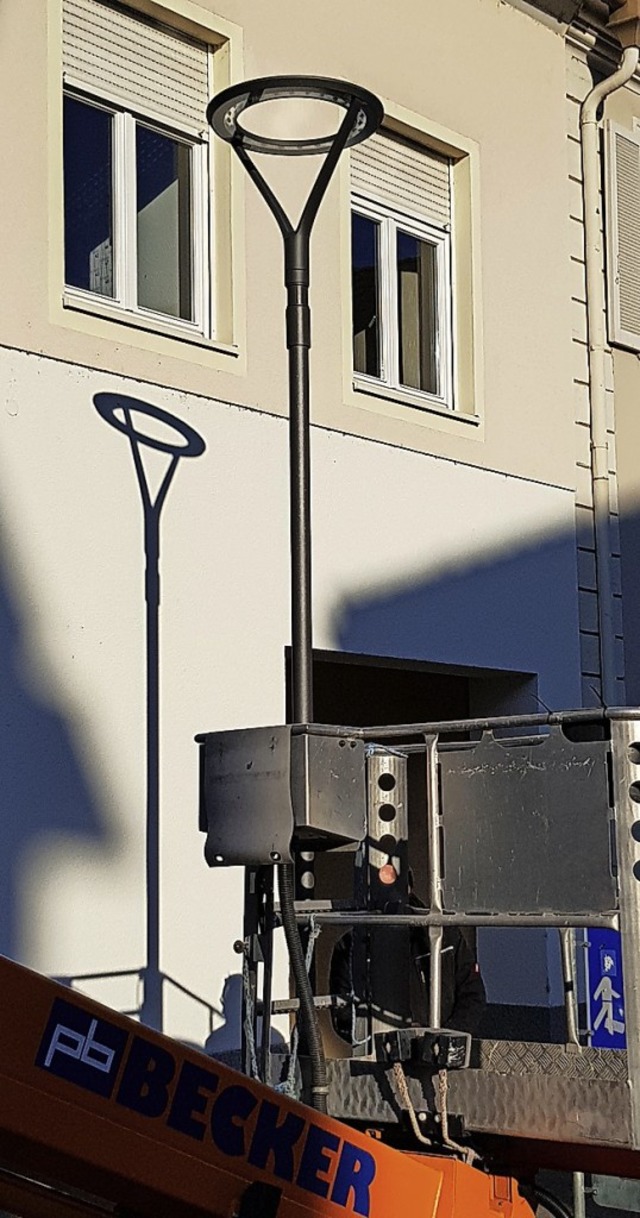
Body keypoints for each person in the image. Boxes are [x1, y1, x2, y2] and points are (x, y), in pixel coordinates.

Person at [329, 879, 486, 1042]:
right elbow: (343, 1014)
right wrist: (385, 1041)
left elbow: (472, 995)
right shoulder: (349, 947)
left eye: (394, 883)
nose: (387, 893)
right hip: (382, 1056)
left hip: (443, 1055)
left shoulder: (443, 934)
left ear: (409, 886)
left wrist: (445, 1040)